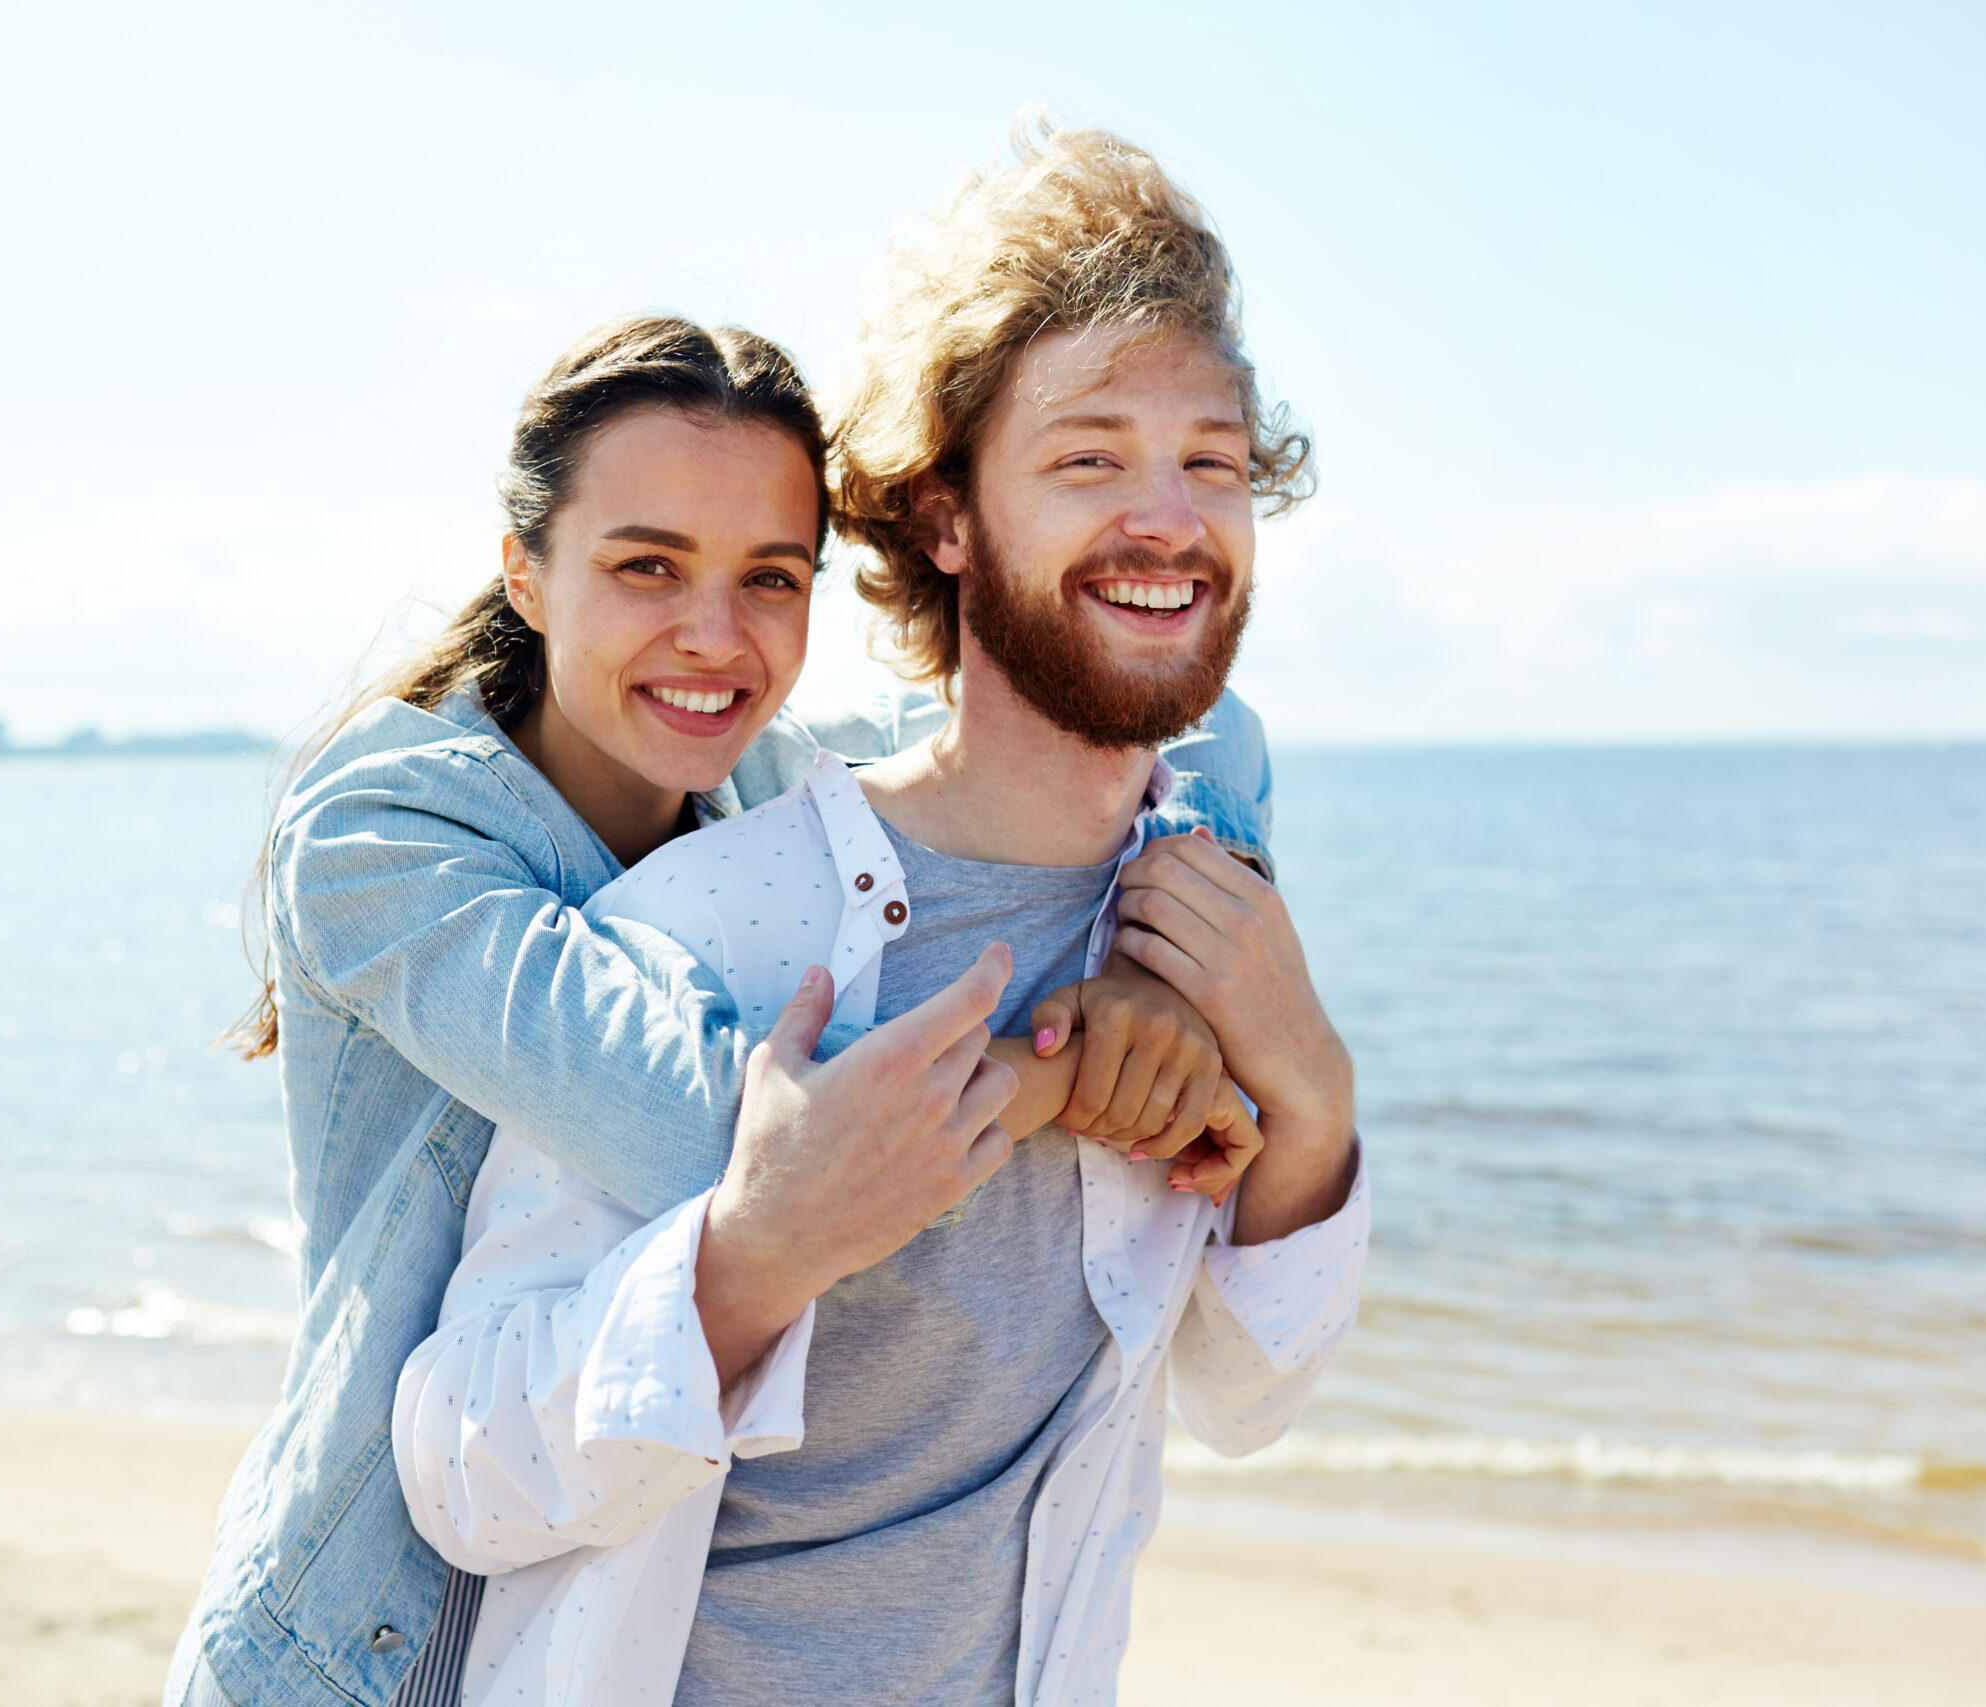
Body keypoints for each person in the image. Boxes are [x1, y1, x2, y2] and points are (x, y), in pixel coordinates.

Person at [166, 313, 1278, 1707]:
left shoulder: (756, 789)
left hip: (599, 1589)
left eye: (771, 577)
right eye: (647, 567)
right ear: (525, 568)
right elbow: (722, 1138)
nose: (715, 636)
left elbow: (1187, 733)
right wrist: (1076, 1065)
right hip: (368, 1636)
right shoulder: (382, 836)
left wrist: (1183, 909)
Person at [389, 123, 1365, 1706]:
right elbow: (458, 1472)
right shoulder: (718, 929)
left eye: (1211, 459)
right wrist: (754, 1259)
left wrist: (1307, 1096)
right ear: (944, 515)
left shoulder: (1203, 915)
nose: (1171, 518)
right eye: (1090, 457)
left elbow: (1246, 1396)